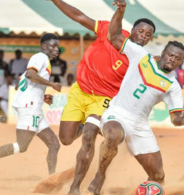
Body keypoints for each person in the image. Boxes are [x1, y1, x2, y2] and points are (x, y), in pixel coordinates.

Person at [87, 1, 184, 195]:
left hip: (140, 125)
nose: (172, 59)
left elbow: (175, 118)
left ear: (180, 62)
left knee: (158, 177)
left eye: (177, 58)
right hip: (118, 114)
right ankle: (100, 175)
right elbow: (114, 36)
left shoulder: (173, 85)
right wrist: (121, 11)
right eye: (170, 55)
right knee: (113, 136)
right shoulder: (141, 55)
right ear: (163, 53)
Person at [49, 0, 155, 194]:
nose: (144, 36)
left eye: (148, 35)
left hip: (103, 100)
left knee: (89, 136)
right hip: (80, 90)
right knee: (65, 139)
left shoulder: (140, 59)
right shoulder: (108, 30)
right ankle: (82, 126)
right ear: (132, 30)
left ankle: (75, 187)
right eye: (141, 31)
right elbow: (79, 17)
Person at [0, 33, 62, 175]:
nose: (57, 49)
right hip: (29, 108)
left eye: (58, 46)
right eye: (54, 45)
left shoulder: (41, 60)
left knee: (54, 144)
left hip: (33, 106)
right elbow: (30, 75)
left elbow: (19, 84)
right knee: (21, 146)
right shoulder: (40, 57)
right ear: (44, 46)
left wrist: (41, 96)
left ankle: (51, 179)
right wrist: (51, 84)